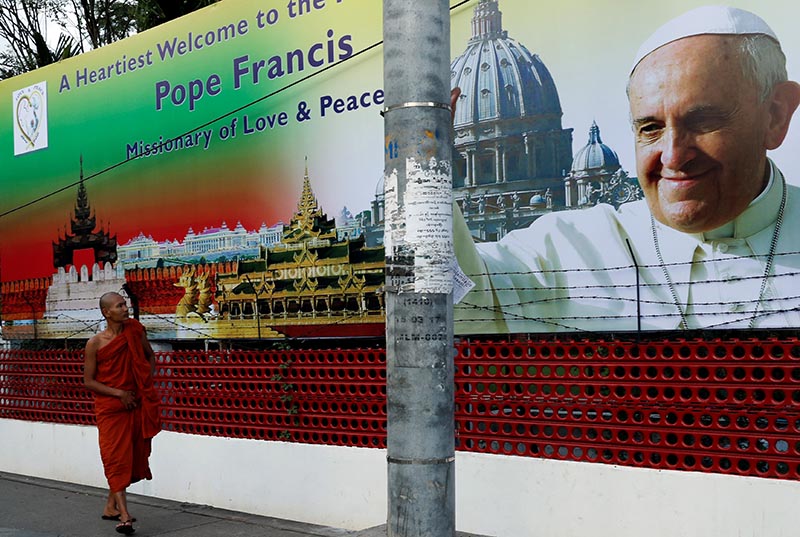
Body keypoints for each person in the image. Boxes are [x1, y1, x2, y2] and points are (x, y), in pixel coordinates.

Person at [453, 5, 800, 335]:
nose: (673, 156)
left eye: (703, 121)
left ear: (775, 116)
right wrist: (420, 167)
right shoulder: (572, 247)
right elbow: (461, 302)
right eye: (650, 128)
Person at [84, 292, 160, 535]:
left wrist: (144, 384)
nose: (125, 308)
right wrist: (119, 393)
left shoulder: (135, 330)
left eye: (125, 304)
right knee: (115, 458)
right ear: (107, 312)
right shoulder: (95, 343)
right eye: (119, 306)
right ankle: (125, 515)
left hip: (134, 404)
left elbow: (149, 356)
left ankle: (110, 506)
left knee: (132, 456)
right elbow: (89, 381)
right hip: (110, 409)